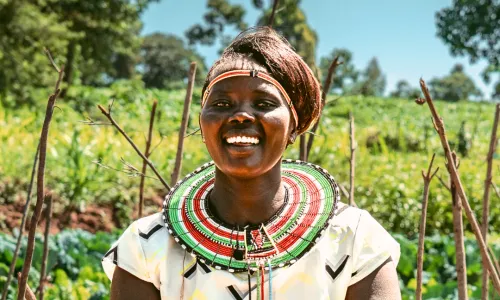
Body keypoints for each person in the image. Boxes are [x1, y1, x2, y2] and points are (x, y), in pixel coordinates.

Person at [102, 27, 401, 300]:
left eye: (263, 104)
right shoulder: (145, 247)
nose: (240, 116)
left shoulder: (354, 239)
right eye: (221, 104)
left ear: (294, 127)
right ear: (202, 124)